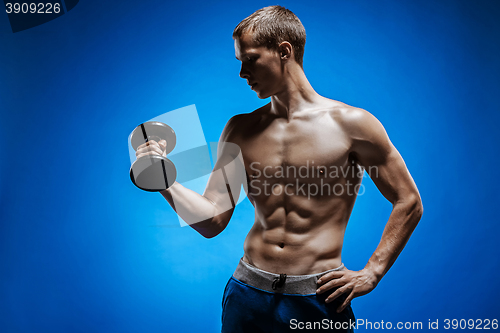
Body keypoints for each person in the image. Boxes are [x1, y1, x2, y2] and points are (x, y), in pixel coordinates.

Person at [135, 5, 423, 333]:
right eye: (240, 61)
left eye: (250, 59)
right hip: (247, 294)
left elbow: (409, 200)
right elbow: (213, 220)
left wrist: (373, 271)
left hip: (317, 299)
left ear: (284, 51)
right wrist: (164, 181)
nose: (243, 73)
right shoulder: (240, 129)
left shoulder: (353, 125)